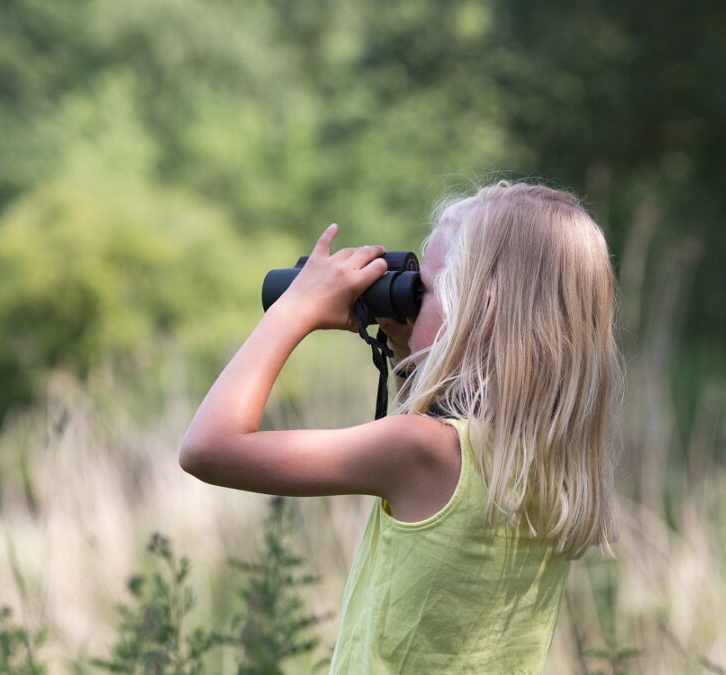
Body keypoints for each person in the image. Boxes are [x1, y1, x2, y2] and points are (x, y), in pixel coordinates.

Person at [179, 181, 624, 674]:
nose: (409, 304)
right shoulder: (543, 463)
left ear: (480, 312)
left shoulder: (423, 450)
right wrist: (407, 344)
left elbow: (208, 447)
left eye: (424, 290)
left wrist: (294, 311)